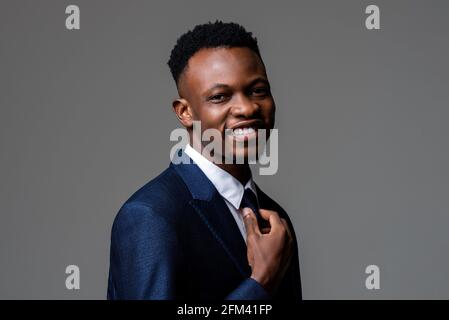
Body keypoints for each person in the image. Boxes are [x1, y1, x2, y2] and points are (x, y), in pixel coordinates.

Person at [107, 21, 302, 300]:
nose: (247, 108)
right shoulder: (150, 216)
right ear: (185, 112)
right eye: (220, 96)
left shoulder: (274, 217)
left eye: (258, 90)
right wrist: (260, 284)